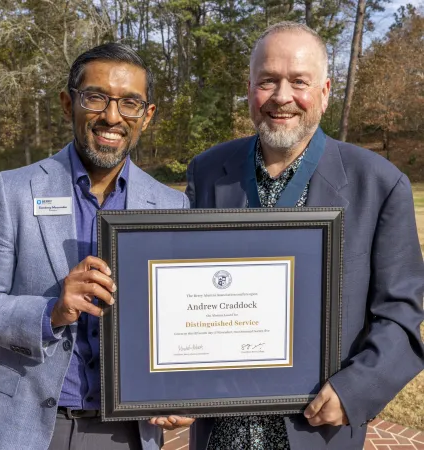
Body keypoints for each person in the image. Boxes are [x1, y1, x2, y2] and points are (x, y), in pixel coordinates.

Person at [163, 21, 423, 450]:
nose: (282, 97)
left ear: (324, 89)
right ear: (249, 88)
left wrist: (354, 389)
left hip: (314, 430)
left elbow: (399, 315)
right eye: (268, 81)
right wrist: (170, 383)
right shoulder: (208, 171)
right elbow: (178, 290)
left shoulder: (378, 183)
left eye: (298, 81)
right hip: (220, 433)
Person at [0, 43, 188, 450]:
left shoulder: (171, 204)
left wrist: (182, 386)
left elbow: (177, 317)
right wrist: (50, 311)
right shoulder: (14, 190)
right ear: (67, 103)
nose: (112, 116)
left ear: (147, 115)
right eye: (95, 98)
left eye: (130, 103)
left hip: (127, 430)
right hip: (29, 425)